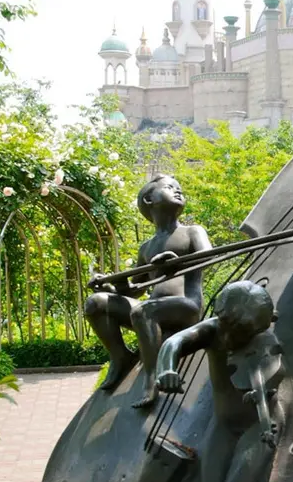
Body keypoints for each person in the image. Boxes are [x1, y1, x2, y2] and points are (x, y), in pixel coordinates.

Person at [155, 280, 285, 482]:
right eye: (232, 332)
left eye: (244, 335)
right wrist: (166, 369)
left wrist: (262, 391)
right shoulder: (212, 331)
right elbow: (174, 342)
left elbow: (273, 373)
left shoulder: (263, 339)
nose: (233, 341)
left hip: (260, 425)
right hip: (224, 425)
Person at [85, 174, 211, 408]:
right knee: (96, 303)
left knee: (144, 312)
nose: (178, 191)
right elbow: (133, 290)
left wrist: (176, 261)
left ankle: (152, 378)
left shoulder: (192, 231)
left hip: (186, 305)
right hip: (151, 309)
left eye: (179, 188)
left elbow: (208, 256)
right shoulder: (147, 247)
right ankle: (120, 356)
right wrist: (110, 285)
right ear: (149, 199)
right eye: (169, 187)